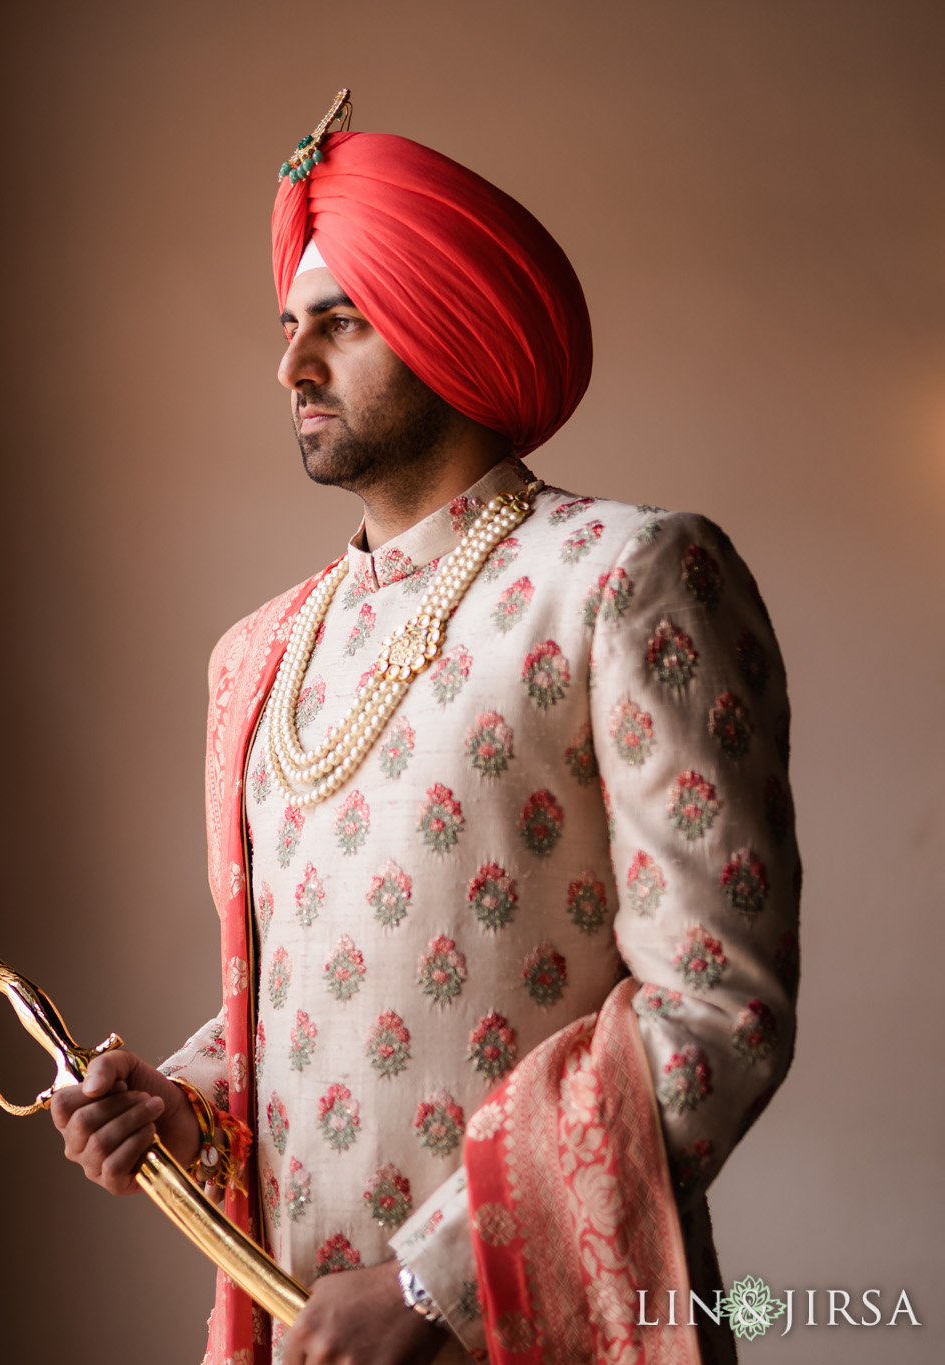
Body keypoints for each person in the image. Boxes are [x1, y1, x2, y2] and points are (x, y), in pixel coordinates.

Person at [48, 100, 798, 1365]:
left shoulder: (627, 576)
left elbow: (717, 1013)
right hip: (303, 1340)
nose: (291, 368)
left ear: (453, 325)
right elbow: (307, 1013)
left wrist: (428, 1285)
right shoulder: (258, 653)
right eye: (286, 329)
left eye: (338, 324)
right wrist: (190, 1110)